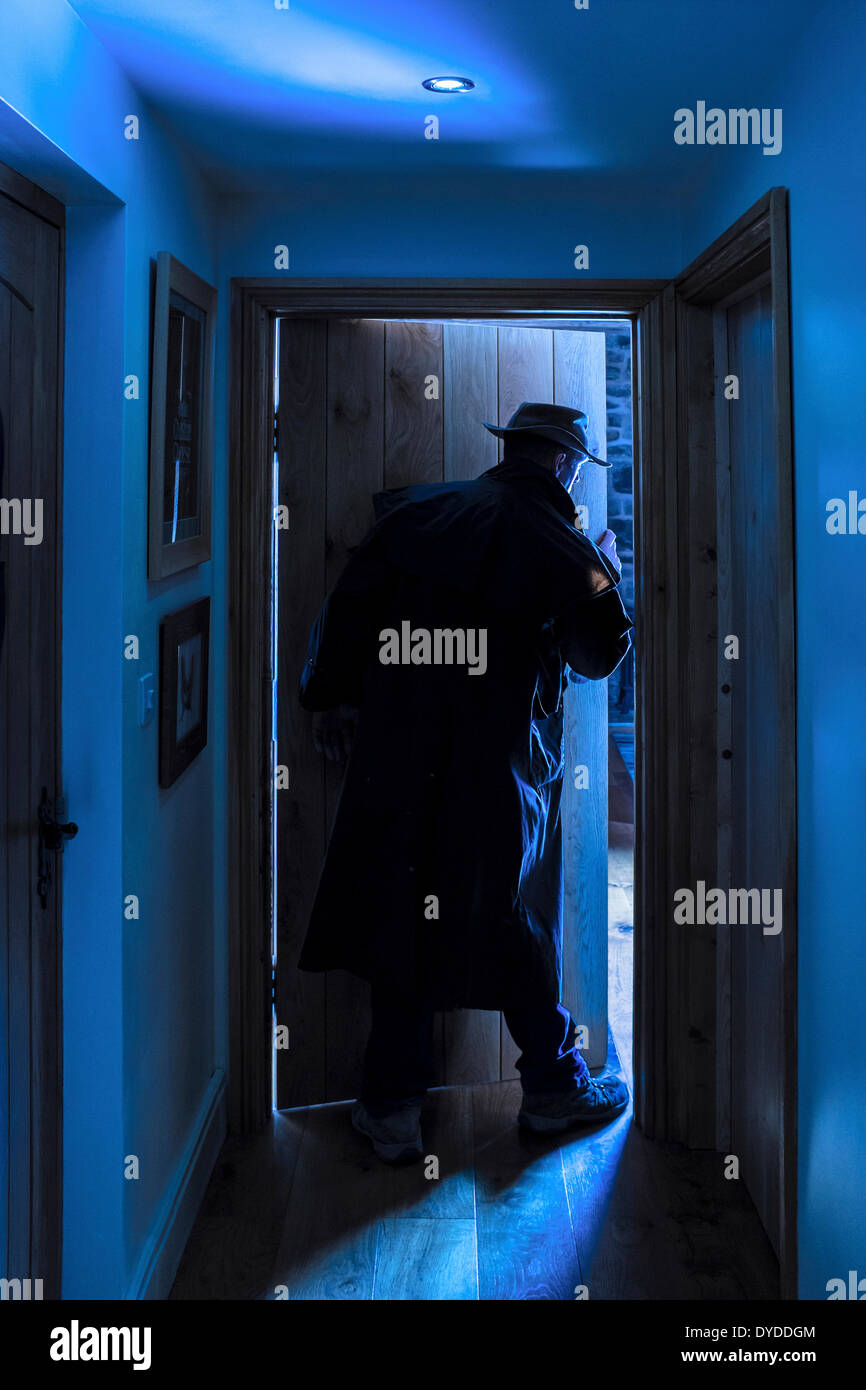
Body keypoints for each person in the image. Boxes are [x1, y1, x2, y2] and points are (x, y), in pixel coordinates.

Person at [297, 402, 634, 1163]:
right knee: (511, 915)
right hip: (499, 763)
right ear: (562, 465)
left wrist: (327, 697)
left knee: (401, 913)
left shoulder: (417, 511)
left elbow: (344, 609)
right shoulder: (562, 542)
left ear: (510, 450)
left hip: (396, 751)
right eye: (575, 467)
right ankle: (552, 1087)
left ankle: (390, 1111)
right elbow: (598, 656)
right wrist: (602, 567)